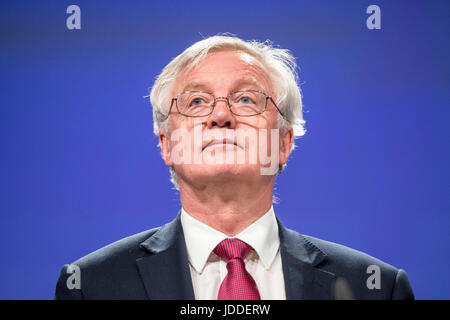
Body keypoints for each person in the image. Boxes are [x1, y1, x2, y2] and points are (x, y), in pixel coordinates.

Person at [54, 35, 414, 300]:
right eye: (196, 101)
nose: (221, 115)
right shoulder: (91, 286)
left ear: (285, 142)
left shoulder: (376, 288)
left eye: (246, 99)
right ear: (166, 145)